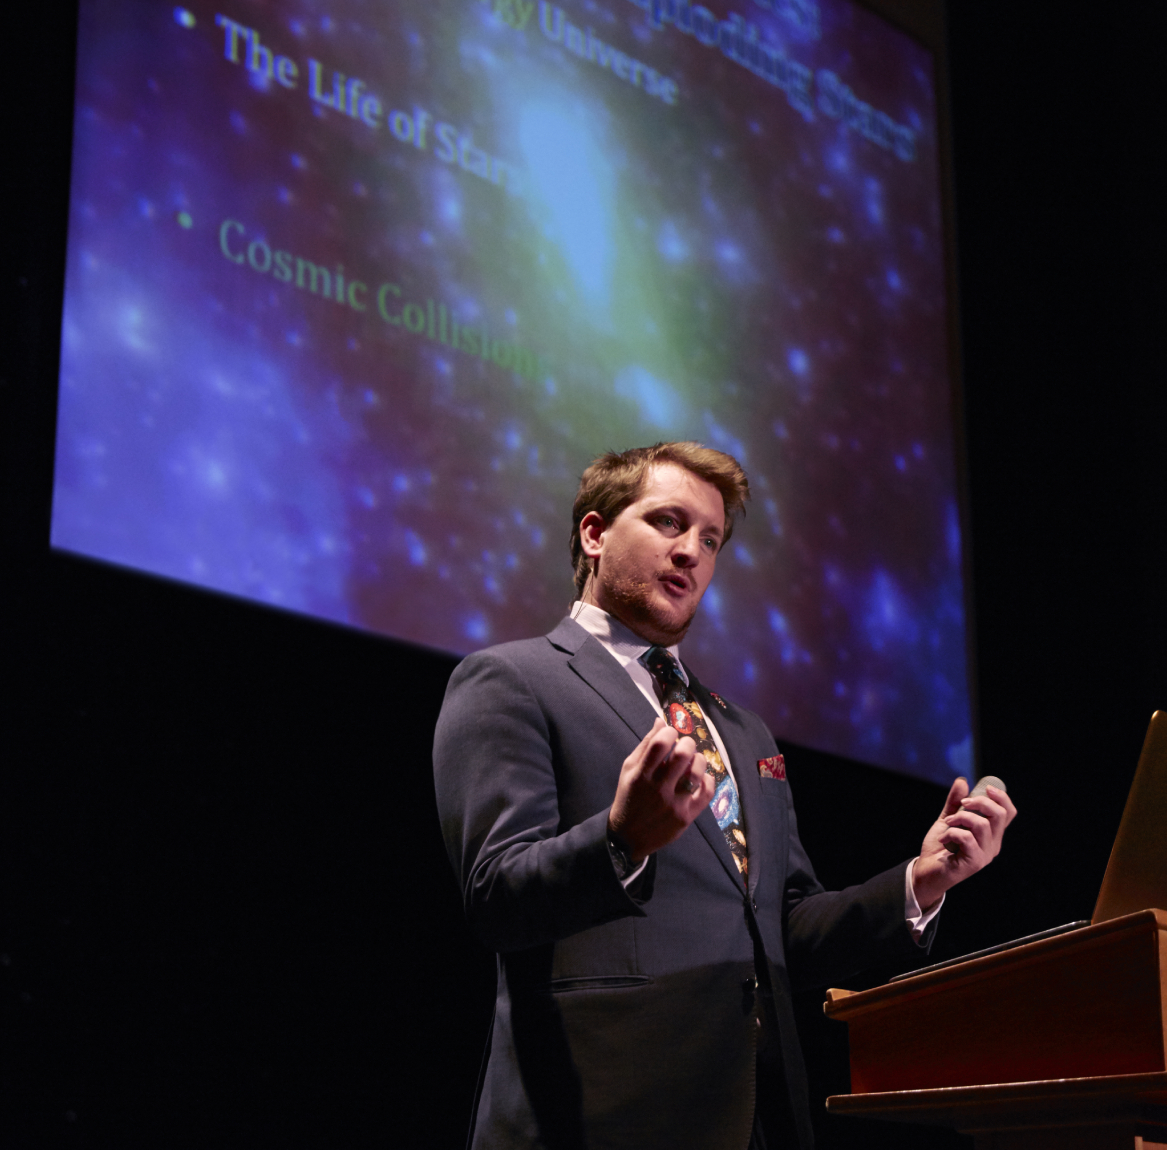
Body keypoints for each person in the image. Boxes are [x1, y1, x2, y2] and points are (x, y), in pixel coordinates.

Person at [433, 442, 1015, 1149]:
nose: (691, 553)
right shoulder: (512, 680)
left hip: (755, 1113)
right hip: (599, 1113)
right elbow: (497, 897)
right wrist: (622, 840)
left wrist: (922, 881)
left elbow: (785, 930)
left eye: (711, 539)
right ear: (593, 534)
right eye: (668, 523)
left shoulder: (746, 732)